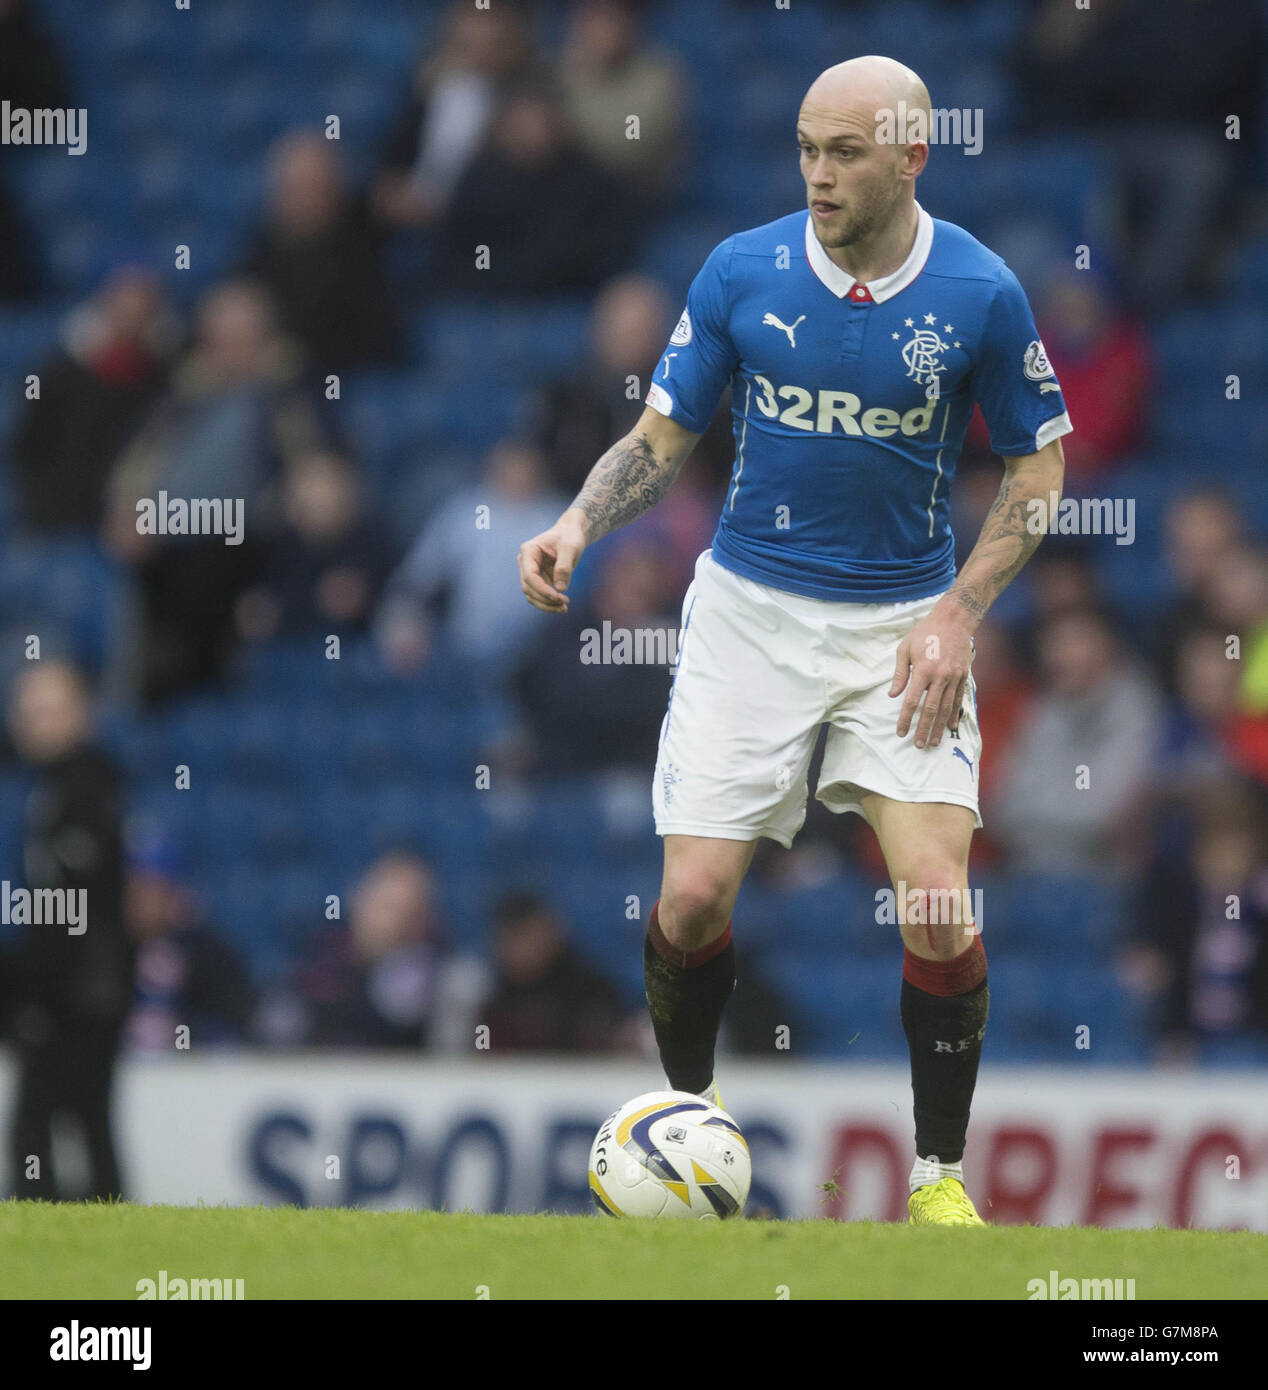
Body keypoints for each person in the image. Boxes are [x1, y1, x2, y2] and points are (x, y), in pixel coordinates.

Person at [520, 57, 1073, 1226]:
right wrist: (574, 521)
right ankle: (690, 1126)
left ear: (910, 155)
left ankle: (935, 1179)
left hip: (901, 626)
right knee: (689, 905)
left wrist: (959, 613)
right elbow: (659, 439)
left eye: (845, 152)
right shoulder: (741, 270)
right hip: (750, 617)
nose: (817, 174)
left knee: (933, 900)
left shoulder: (977, 291)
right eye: (806, 149)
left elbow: (1037, 467)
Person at [4, 660, 131, 1200]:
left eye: (52, 710)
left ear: (83, 714)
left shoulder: (85, 790)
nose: (38, 723)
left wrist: (32, 991)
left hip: (80, 990)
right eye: (29, 711)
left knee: (39, 1126)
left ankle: (44, 1242)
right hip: (83, 987)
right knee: (85, 1121)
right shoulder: (44, 788)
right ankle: (110, 1231)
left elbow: (70, 905)